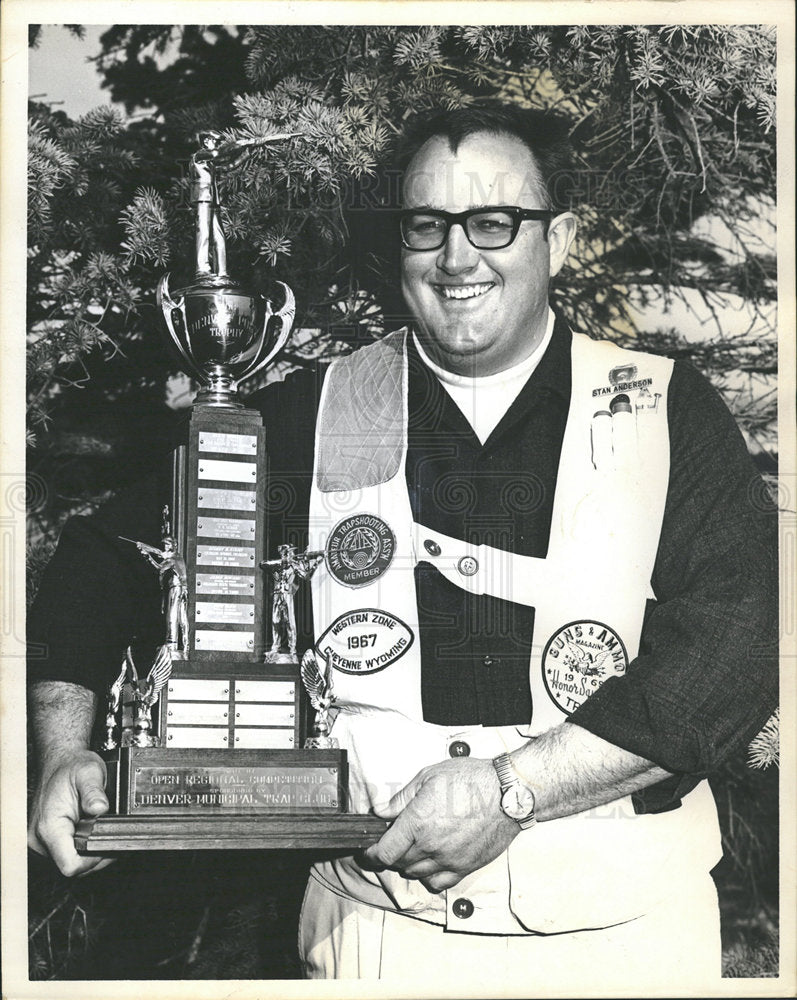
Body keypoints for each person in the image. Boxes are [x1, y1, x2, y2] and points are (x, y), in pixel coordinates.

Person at [27, 103, 778, 989]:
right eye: (427, 225)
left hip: (625, 938)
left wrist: (514, 788)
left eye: (494, 222)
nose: (457, 257)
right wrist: (65, 751)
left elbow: (734, 650)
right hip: (374, 939)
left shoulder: (661, 412)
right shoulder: (306, 418)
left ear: (559, 240)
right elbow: (101, 560)